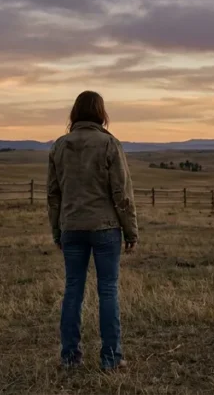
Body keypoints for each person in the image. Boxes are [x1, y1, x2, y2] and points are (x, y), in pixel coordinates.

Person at [47, 90, 139, 371]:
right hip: (105, 227)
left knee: (73, 289)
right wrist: (131, 230)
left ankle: (69, 357)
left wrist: (57, 230)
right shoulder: (110, 144)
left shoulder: (60, 146)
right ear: (101, 113)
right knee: (108, 290)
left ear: (74, 113)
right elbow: (121, 192)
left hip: (72, 226)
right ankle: (111, 358)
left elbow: (53, 194)